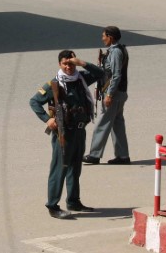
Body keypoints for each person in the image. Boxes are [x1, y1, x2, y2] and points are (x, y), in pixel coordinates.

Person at [30, 50, 104, 219]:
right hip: (64, 132)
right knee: (60, 168)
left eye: (71, 63)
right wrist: (46, 120)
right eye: (65, 63)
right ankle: (53, 205)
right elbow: (34, 101)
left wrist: (82, 63)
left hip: (79, 131)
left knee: (75, 168)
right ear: (59, 65)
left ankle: (73, 201)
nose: (69, 67)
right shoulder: (54, 84)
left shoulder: (81, 78)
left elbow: (101, 73)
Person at [84, 26, 130, 165]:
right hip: (119, 93)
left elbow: (116, 75)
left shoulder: (115, 52)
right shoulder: (119, 49)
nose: (102, 38)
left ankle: (94, 155)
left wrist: (109, 94)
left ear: (110, 37)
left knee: (102, 123)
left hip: (114, 94)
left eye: (104, 36)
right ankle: (123, 156)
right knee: (117, 125)